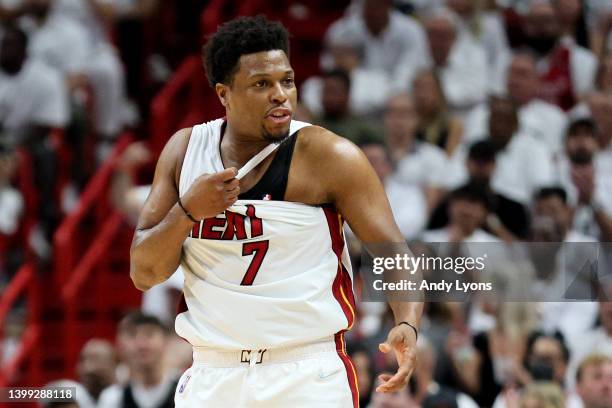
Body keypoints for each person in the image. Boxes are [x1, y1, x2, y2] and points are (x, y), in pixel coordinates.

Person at [129, 15, 422, 406]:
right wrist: (187, 212)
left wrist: (407, 322)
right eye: (261, 84)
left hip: (305, 372)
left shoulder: (330, 156)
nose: (281, 94)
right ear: (224, 94)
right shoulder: (184, 152)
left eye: (287, 80)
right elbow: (145, 273)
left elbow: (394, 254)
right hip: (214, 374)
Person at [98, 312, 179, 408]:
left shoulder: (187, 391)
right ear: (121, 345)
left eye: (149, 334)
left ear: (165, 341)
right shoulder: (112, 398)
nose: (142, 344)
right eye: (133, 335)